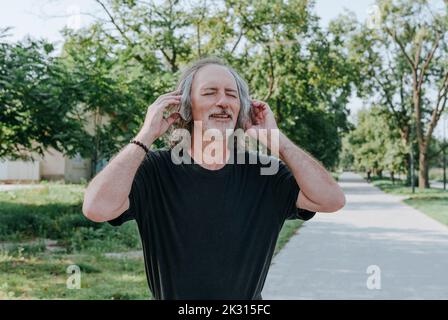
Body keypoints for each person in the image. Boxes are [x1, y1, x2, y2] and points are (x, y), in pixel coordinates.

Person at [82, 57, 346, 300]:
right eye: (210, 92)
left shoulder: (265, 172)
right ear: (186, 106)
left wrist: (276, 141)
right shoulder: (155, 169)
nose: (223, 101)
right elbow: (96, 208)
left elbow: (331, 200)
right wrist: (145, 136)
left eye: (231, 94)